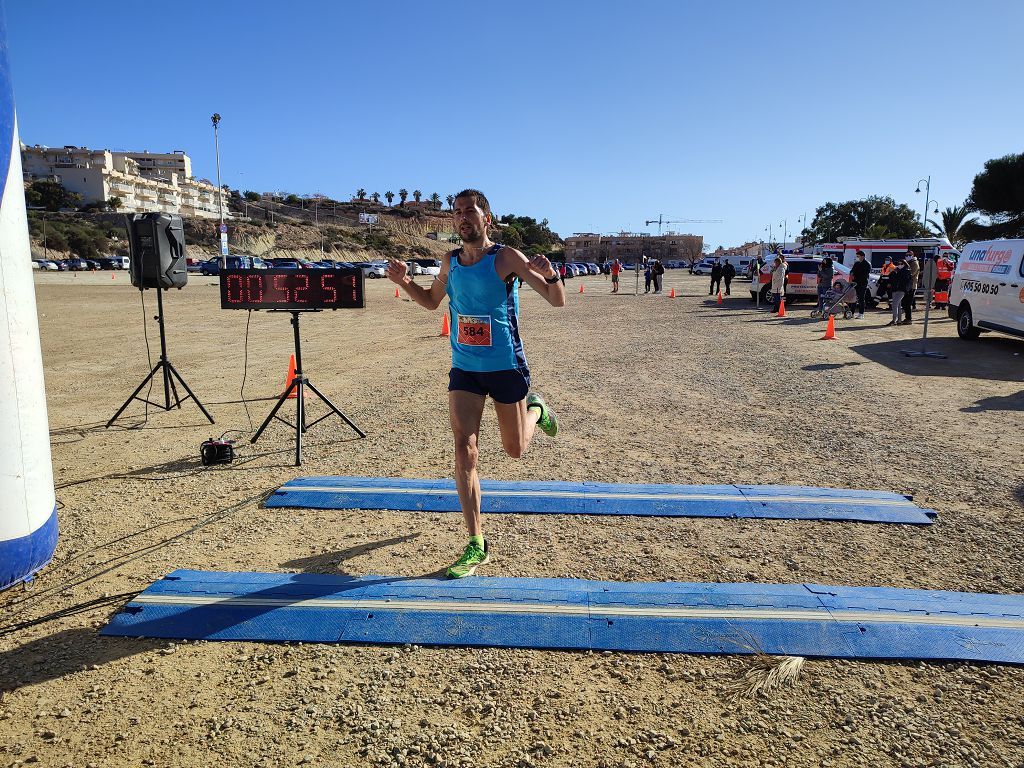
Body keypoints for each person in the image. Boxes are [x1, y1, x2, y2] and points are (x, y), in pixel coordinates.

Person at [386, 189, 564, 578]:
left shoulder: (506, 258)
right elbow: (432, 302)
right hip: (464, 367)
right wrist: (404, 283)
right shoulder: (449, 262)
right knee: (465, 449)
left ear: (488, 219)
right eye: (457, 212)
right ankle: (476, 542)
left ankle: (536, 409)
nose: (463, 217)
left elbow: (557, 300)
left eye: (471, 210)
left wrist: (551, 274)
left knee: (515, 450)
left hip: (505, 367)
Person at [887, 255, 910, 326]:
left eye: (901, 264)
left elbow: (904, 281)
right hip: (895, 289)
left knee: (894, 304)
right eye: (898, 264)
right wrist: (893, 272)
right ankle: (899, 320)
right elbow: (892, 279)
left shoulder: (906, 271)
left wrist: (896, 273)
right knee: (898, 305)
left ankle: (894, 320)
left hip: (901, 290)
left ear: (905, 264)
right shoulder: (897, 271)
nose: (899, 265)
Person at [850, 249, 871, 320]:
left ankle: (861, 313)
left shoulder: (867, 264)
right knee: (853, 298)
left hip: (862, 284)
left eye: (858, 256)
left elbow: (865, 275)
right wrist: (852, 273)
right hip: (855, 283)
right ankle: (851, 313)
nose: (857, 257)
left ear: (862, 256)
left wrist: (857, 277)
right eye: (857, 256)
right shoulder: (857, 263)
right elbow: (852, 270)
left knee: (861, 299)